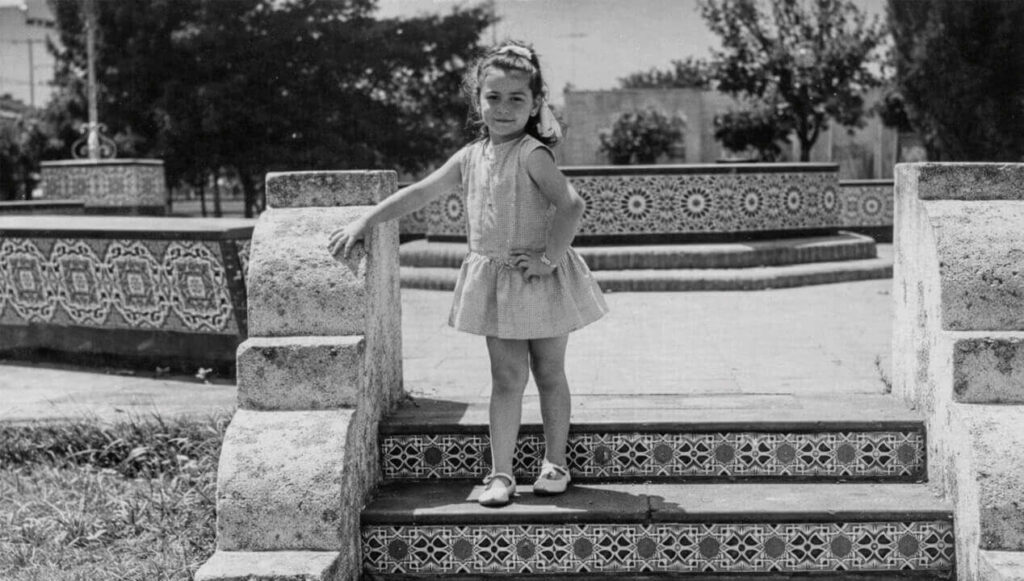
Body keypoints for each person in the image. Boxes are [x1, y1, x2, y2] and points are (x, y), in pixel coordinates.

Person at [328, 40, 608, 507]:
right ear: (477, 100)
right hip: (498, 281)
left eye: (516, 98)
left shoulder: (532, 153)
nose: (503, 108)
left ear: (536, 103)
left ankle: (554, 462)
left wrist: (547, 259)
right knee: (505, 377)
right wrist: (366, 221)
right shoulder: (470, 156)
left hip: (539, 276)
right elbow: (419, 192)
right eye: (493, 97)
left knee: (550, 372)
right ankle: (501, 475)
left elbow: (570, 205)